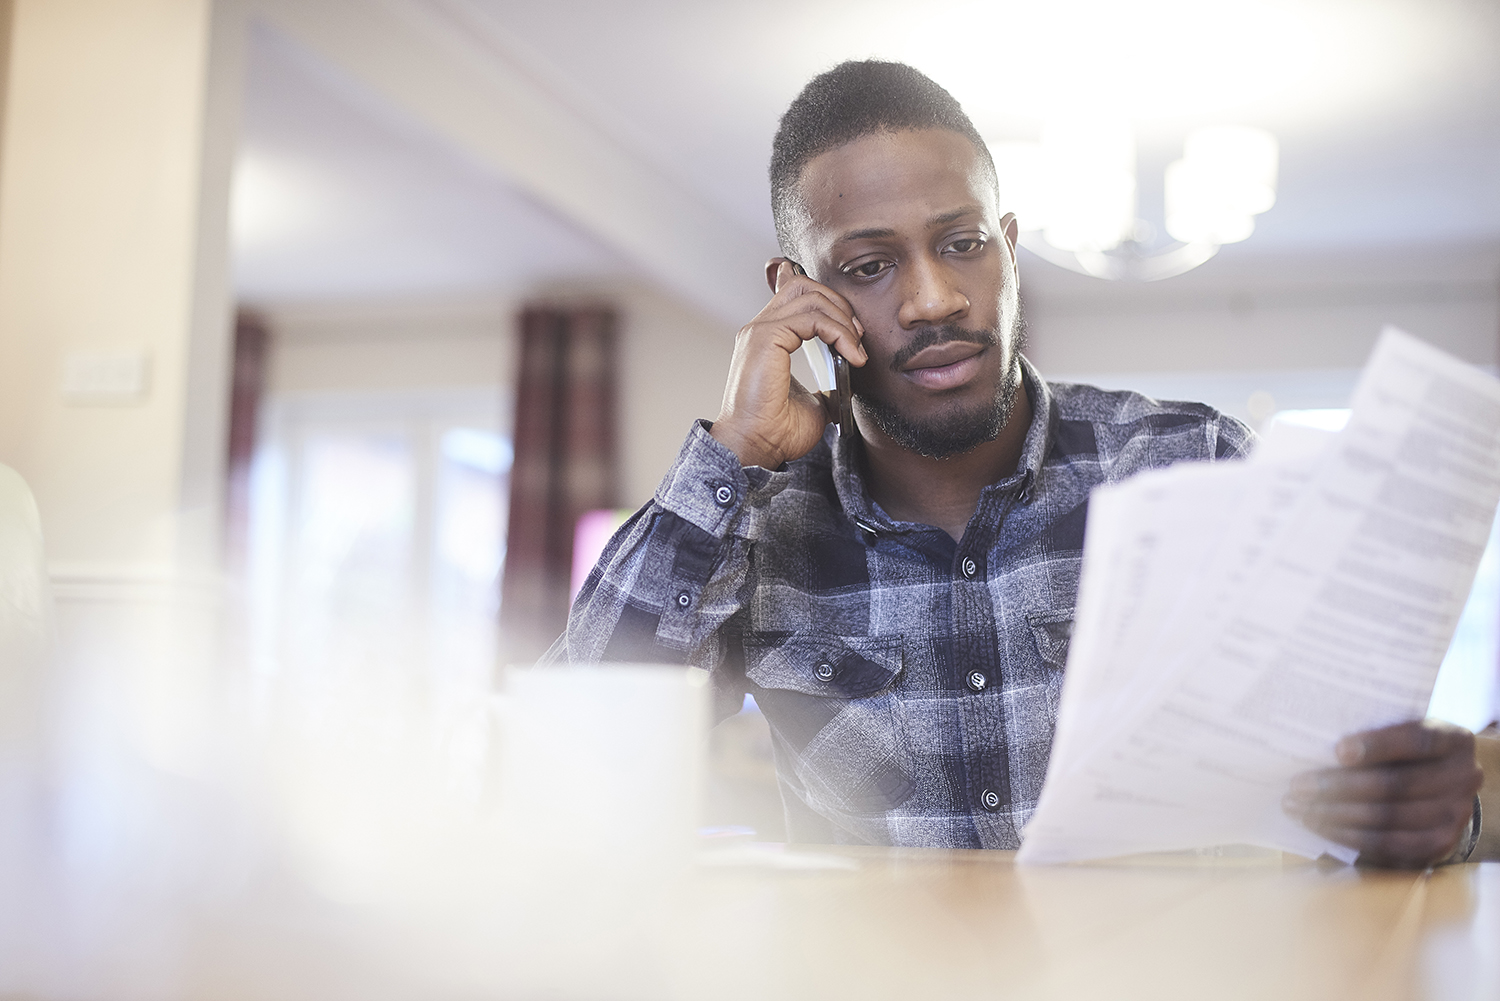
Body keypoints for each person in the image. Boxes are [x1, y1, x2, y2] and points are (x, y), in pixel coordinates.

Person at [559, 60, 1492, 866]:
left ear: (1007, 249)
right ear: (797, 293)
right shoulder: (755, 529)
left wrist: (1426, 809)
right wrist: (735, 456)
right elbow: (575, 762)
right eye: (870, 265)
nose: (932, 299)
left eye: (961, 245)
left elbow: (1348, 777)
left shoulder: (1194, 463)